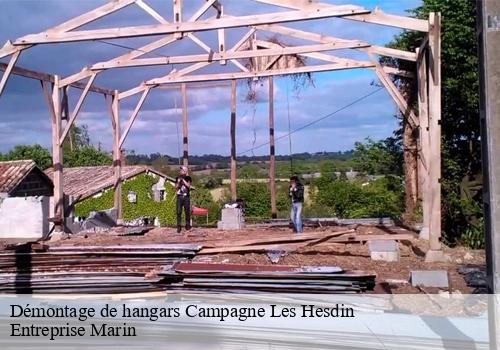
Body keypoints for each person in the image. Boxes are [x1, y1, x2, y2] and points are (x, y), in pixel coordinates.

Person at [175, 166, 192, 233]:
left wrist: (183, 180)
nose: (180, 171)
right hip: (179, 197)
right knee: (178, 212)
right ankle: (178, 226)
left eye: (182, 170)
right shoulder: (177, 178)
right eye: (180, 170)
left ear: (185, 171)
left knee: (187, 211)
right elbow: (176, 188)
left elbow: (188, 186)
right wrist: (179, 182)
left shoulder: (188, 178)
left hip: (186, 197)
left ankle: (187, 225)